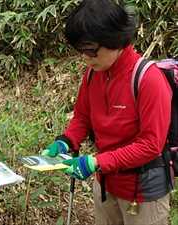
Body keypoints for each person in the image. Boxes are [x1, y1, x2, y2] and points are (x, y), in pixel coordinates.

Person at [42, 0, 172, 224]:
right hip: (105, 184)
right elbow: (82, 117)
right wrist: (66, 140)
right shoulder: (94, 74)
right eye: (81, 51)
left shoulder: (148, 79)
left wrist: (96, 162)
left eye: (91, 50)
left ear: (115, 40)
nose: (85, 58)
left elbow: (151, 144)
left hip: (142, 192)